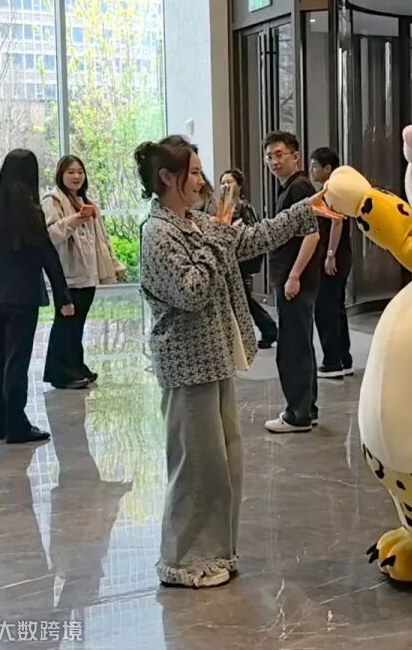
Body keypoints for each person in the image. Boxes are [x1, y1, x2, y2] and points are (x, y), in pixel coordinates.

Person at [137, 134, 328, 588]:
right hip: (187, 366)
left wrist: (310, 208)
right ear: (167, 177)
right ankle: (184, 560)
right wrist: (220, 234)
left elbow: (255, 238)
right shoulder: (157, 232)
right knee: (196, 469)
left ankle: (215, 552)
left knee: (222, 466)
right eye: (194, 172)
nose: (202, 181)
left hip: (215, 360)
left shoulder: (197, 223)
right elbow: (191, 290)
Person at [0, 149, 74, 444]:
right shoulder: (30, 212)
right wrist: (63, 296)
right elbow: (47, 255)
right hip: (22, 296)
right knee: (16, 360)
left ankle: (2, 422)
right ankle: (17, 425)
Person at [41, 155, 126, 389]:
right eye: (70, 172)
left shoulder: (87, 201)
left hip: (87, 273)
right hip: (67, 275)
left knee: (77, 324)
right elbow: (51, 234)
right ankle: (62, 373)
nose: (76, 176)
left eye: (80, 171)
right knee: (65, 324)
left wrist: (112, 265)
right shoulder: (53, 201)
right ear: (61, 174)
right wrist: (77, 218)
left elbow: (101, 238)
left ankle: (75, 366)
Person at [263, 131, 322, 433]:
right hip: (291, 278)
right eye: (269, 156)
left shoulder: (299, 188)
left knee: (293, 347)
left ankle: (297, 414)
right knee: (300, 343)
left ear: (295, 156)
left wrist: (294, 275)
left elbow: (312, 235)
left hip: (295, 280)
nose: (273, 161)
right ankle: (306, 408)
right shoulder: (290, 187)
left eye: (279, 154)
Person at [219, 168, 277, 348]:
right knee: (242, 298)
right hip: (229, 259)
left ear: (239, 185)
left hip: (242, 260)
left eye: (229, 182)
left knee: (243, 298)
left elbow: (253, 232)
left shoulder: (244, 207)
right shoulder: (221, 208)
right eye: (223, 182)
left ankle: (267, 330)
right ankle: (266, 330)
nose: (225, 186)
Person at [308, 147, 353, 377]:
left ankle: (333, 362)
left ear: (328, 168)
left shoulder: (331, 191)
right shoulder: (336, 189)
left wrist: (330, 254)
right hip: (340, 256)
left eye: (315, 166)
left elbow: (337, 222)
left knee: (326, 309)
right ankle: (344, 358)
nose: (311, 170)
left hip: (334, 257)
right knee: (336, 308)